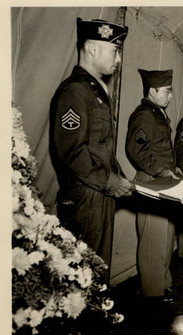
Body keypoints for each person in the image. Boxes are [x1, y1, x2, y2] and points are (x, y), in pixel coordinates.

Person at [49, 18, 132, 284]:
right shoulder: (74, 91)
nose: (118, 59)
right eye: (114, 50)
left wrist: (119, 177)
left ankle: (95, 320)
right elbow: (71, 151)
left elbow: (101, 146)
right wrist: (111, 182)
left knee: (98, 269)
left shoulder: (95, 90)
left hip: (99, 192)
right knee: (82, 273)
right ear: (93, 49)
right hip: (85, 195)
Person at [126, 68, 183, 301]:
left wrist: (173, 168)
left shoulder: (157, 114)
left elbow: (161, 148)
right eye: (167, 91)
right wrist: (161, 170)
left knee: (165, 238)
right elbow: (136, 150)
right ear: (152, 91)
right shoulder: (144, 115)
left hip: (163, 182)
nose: (171, 95)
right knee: (153, 239)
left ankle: (163, 284)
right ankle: (152, 292)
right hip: (151, 182)